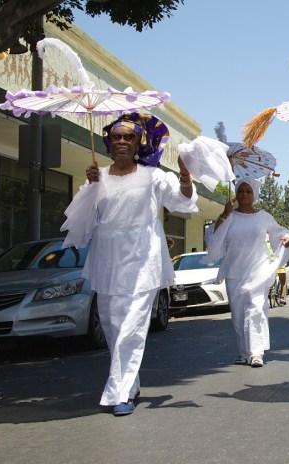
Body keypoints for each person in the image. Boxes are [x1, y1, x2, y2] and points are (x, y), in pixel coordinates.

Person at [60, 113, 198, 416]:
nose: (122, 141)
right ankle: (129, 384)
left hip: (143, 260)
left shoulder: (152, 176)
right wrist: (90, 187)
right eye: (117, 137)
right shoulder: (99, 177)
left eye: (129, 137)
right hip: (107, 260)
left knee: (131, 328)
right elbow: (81, 221)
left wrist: (185, 175)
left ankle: (118, 393)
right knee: (112, 326)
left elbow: (182, 201)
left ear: (139, 143)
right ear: (109, 143)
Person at [203, 178, 289, 367]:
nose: (244, 194)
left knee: (257, 308)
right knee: (238, 313)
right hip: (235, 270)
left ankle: (256, 352)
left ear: (254, 195)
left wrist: (285, 238)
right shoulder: (230, 216)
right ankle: (244, 351)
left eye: (248, 191)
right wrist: (224, 215)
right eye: (241, 191)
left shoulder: (263, 216)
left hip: (259, 269)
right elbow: (212, 237)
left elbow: (279, 230)